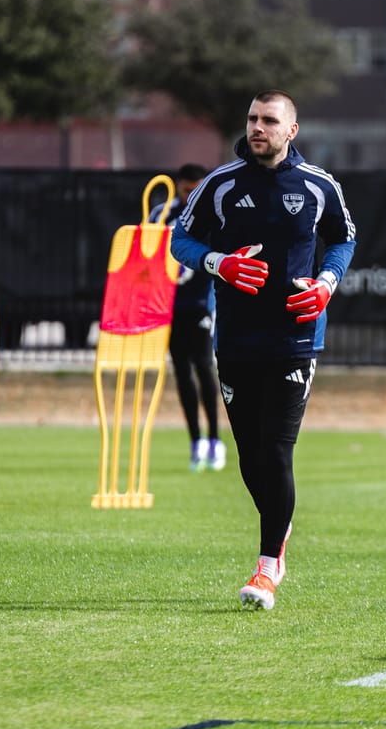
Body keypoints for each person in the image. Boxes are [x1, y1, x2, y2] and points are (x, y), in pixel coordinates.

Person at [169, 90, 356, 610]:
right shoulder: (219, 184)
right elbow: (179, 242)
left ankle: (268, 564)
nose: (258, 128)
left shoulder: (318, 186)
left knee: (276, 450)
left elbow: (343, 240)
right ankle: (281, 520)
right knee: (251, 458)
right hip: (235, 337)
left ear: (291, 130)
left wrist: (326, 282)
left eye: (270, 120)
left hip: (296, 337)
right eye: (253, 118)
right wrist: (218, 264)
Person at [148, 163, 226, 472]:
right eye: (186, 190)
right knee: (181, 371)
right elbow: (147, 251)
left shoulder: (214, 214)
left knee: (205, 368)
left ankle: (215, 439)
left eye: (196, 189)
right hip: (168, 303)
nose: (191, 195)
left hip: (202, 301)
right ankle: (195, 440)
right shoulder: (162, 214)